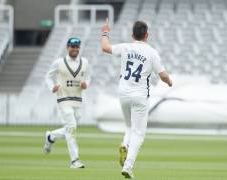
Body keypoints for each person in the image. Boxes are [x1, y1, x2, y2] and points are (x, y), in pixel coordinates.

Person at [101, 19, 173, 178]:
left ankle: (124, 144)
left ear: (132, 34)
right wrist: (169, 82)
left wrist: (105, 31)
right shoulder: (151, 52)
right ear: (147, 35)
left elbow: (105, 47)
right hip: (140, 96)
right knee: (139, 134)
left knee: (129, 127)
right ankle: (128, 166)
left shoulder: (125, 47)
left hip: (123, 93)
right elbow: (163, 75)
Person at [44, 37, 90, 169]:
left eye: (77, 47)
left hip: (77, 99)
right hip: (63, 99)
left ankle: (51, 136)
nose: (75, 49)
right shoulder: (59, 62)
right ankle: (74, 160)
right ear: (67, 47)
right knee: (72, 127)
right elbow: (48, 76)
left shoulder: (85, 62)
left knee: (71, 128)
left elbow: (88, 76)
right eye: (72, 47)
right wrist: (52, 87)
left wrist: (86, 84)